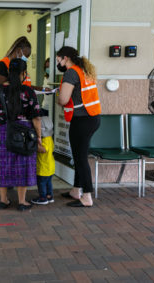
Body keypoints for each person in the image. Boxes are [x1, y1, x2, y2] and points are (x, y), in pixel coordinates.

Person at [0, 58, 42, 211]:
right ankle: (22, 202)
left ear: (10, 72)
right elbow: (36, 117)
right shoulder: (28, 91)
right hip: (25, 132)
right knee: (22, 165)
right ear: (23, 73)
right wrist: (39, 138)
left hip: (5, 130)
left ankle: (3, 200)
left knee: (4, 165)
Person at [56, 46, 101, 207]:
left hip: (82, 120)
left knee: (81, 158)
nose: (58, 63)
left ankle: (87, 196)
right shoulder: (83, 70)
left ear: (65, 58)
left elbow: (63, 99)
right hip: (91, 118)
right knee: (78, 155)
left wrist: (57, 96)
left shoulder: (71, 73)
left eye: (58, 60)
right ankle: (76, 190)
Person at [31, 114, 55, 205]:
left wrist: (34, 145)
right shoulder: (50, 138)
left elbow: (43, 150)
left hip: (43, 168)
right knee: (48, 183)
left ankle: (43, 198)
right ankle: (49, 196)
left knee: (41, 184)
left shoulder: (44, 140)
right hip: (50, 167)